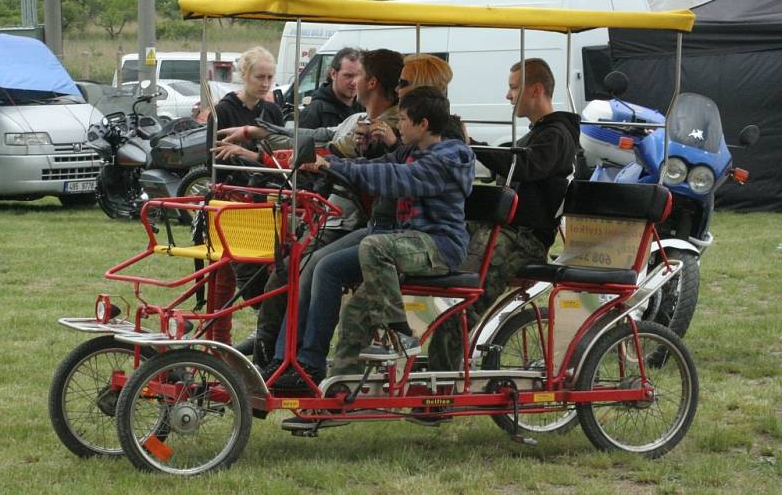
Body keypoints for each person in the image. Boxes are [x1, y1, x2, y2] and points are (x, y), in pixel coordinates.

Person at [265, 55, 464, 389]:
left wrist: (339, 165)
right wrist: (335, 162)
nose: (395, 90)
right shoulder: (410, 143)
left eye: (403, 84)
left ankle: (397, 334)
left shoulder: (448, 152)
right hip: (391, 233)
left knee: (367, 248)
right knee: (316, 263)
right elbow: (379, 165)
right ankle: (294, 362)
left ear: (423, 114)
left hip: (426, 242)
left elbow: (396, 177)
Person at [214, 49, 405, 364]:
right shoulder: (361, 120)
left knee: (302, 267)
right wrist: (257, 134)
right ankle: (273, 351)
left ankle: (293, 359)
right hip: (332, 215)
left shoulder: (383, 129)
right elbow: (317, 140)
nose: (353, 83)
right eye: (259, 77)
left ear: (370, 81)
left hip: (351, 220)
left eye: (358, 76)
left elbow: (328, 156)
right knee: (284, 267)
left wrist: (261, 154)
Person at [429, 57, 580, 371]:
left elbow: (522, 165)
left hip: (521, 239)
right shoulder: (537, 135)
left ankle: (439, 383)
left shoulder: (557, 136)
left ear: (535, 89)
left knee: (463, 297)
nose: (508, 96)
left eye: (513, 88)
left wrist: (470, 145)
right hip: (502, 230)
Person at [206, 46, 285, 345]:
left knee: (266, 273)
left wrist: (250, 155)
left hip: (266, 200)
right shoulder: (224, 110)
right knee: (222, 280)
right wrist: (253, 157)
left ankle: (267, 337)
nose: (265, 83)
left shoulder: (273, 111)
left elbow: (280, 156)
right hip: (232, 200)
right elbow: (212, 159)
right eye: (259, 76)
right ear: (245, 75)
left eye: (270, 77)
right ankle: (219, 346)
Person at [299, 47, 363, 129]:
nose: (354, 82)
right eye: (348, 76)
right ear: (333, 74)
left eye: (359, 76)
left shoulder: (366, 108)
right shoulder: (313, 112)